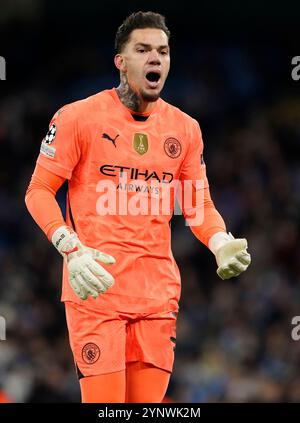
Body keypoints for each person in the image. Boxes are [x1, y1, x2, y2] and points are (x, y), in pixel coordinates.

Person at [25, 11, 251, 403]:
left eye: (162, 51)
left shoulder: (185, 129)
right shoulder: (78, 117)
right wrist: (69, 246)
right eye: (143, 49)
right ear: (121, 61)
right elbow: (39, 190)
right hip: (96, 289)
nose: (155, 59)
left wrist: (219, 240)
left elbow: (197, 206)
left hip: (157, 297)